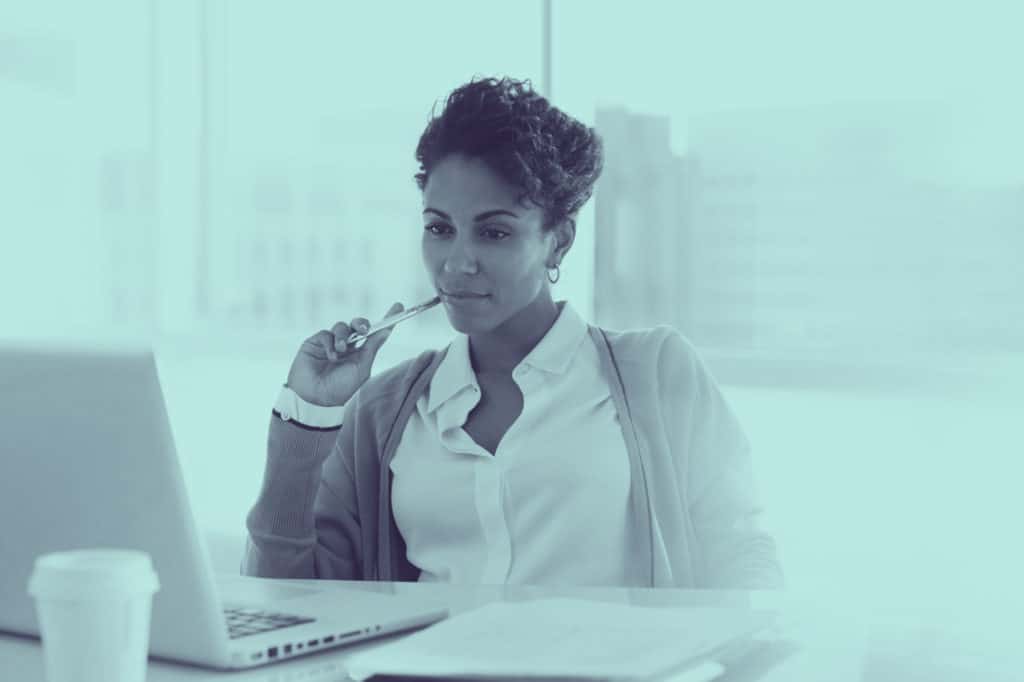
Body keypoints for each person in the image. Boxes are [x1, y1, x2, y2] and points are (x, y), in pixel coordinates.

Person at [243, 76, 783, 588]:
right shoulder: (382, 412)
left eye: (494, 232)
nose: (456, 264)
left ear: (559, 241)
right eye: (439, 229)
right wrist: (308, 415)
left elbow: (742, 557)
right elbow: (286, 602)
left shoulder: (659, 373)